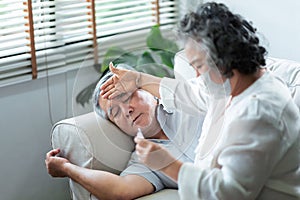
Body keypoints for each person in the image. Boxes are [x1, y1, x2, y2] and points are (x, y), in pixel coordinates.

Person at [100, 2, 300, 200]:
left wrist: (168, 164)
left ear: (224, 57)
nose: (195, 75)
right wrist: (138, 79)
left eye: (198, 66)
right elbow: (189, 93)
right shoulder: (231, 87)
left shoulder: (258, 112)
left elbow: (229, 193)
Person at [45, 64, 203, 200]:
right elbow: (119, 191)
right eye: (115, 112)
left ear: (145, 89)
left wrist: (140, 79)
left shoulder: (187, 102)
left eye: (126, 96)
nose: (127, 111)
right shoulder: (145, 160)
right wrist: (66, 168)